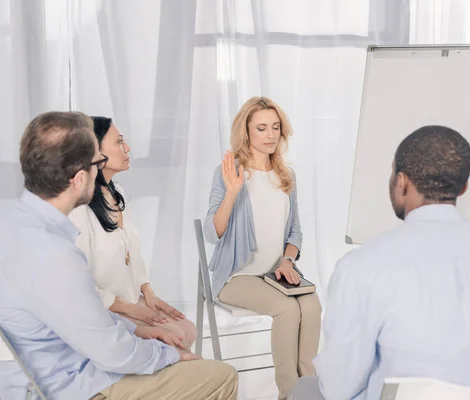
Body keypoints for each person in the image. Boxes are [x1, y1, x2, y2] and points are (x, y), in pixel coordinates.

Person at [290, 126, 470, 400]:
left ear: (401, 181)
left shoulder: (362, 267)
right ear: (464, 186)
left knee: (306, 390)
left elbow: (339, 387)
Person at [0, 112, 238, 400]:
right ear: (78, 179)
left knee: (177, 342)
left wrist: (140, 329)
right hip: (81, 383)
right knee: (220, 376)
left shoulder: (13, 221)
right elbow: (111, 352)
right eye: (96, 163)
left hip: (68, 360)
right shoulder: (56, 255)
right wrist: (166, 355)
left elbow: (85, 318)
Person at [204, 96, 322, 399]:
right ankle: (289, 392)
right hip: (236, 276)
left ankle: (306, 388)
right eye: (261, 128)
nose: (270, 135)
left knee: (311, 306)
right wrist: (232, 192)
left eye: (275, 127)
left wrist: (287, 260)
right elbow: (212, 233)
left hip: (275, 273)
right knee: (286, 309)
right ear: (246, 132)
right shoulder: (229, 172)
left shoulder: (286, 175)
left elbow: (295, 230)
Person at [68, 116, 197, 351]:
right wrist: (127, 308)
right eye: (118, 142)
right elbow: (75, 283)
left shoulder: (118, 194)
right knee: (176, 336)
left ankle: (171, 382)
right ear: (95, 153)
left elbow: (131, 251)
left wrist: (147, 292)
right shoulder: (78, 209)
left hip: (127, 298)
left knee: (188, 329)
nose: (127, 148)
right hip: (101, 309)